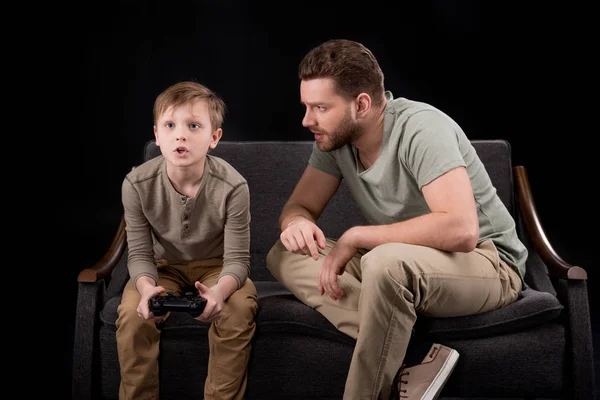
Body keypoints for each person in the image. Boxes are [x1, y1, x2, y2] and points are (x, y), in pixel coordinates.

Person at [266, 39, 527, 400]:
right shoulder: (334, 140)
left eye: (320, 107)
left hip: (487, 263)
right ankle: (419, 356)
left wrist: (356, 235)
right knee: (286, 252)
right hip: (406, 265)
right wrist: (297, 223)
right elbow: (299, 208)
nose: (307, 119)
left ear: (361, 104)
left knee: (384, 263)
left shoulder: (422, 129)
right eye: (307, 106)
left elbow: (462, 231)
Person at [116, 81, 258, 400]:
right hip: (163, 268)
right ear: (157, 135)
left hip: (217, 268)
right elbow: (139, 254)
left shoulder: (234, 187)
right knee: (132, 315)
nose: (180, 134)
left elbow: (238, 261)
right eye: (170, 125)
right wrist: (145, 288)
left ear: (214, 138)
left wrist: (220, 292)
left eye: (194, 125)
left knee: (237, 311)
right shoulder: (136, 185)